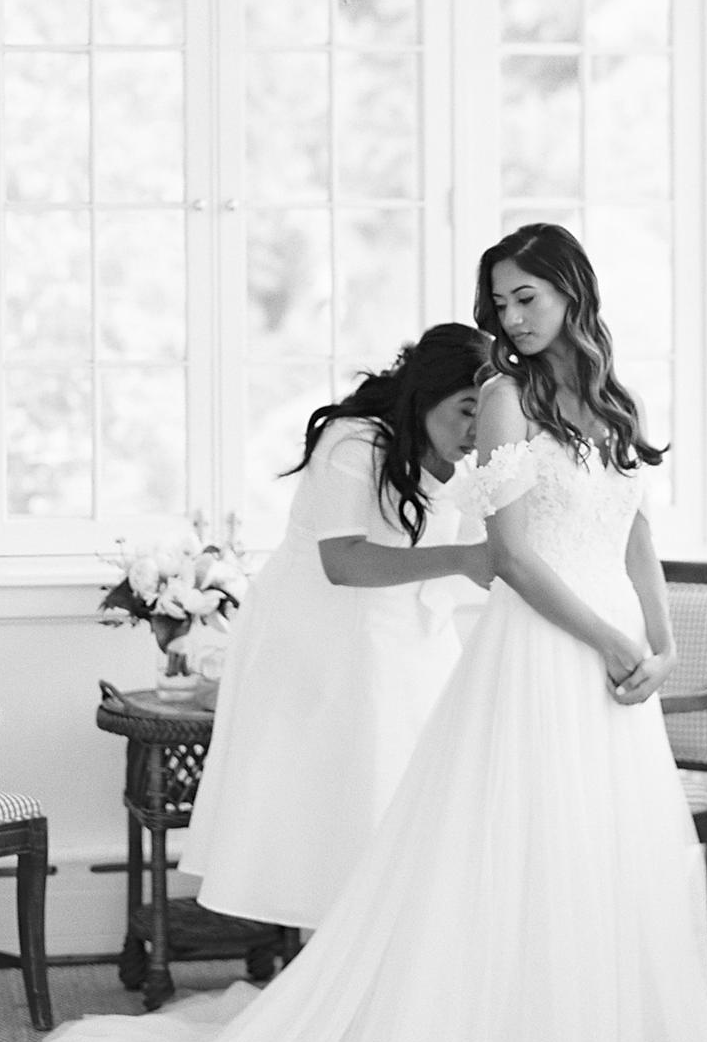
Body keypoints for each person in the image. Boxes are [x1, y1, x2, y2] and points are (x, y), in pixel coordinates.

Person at [0, 225, 707, 1042]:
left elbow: (635, 520)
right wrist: (607, 639)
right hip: (547, 649)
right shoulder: (507, 398)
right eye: (500, 302)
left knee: (601, 854)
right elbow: (512, 555)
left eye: (527, 296)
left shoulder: (611, 401)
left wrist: (661, 640)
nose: (513, 317)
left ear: (570, 287)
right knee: (519, 850)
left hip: (616, 657)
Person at [180, 323, 491, 930]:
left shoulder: (462, 460)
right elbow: (343, 561)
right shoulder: (353, 443)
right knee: (337, 801)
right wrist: (461, 559)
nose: (475, 431)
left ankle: (385, 959)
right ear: (427, 394)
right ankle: (330, 965)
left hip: (411, 632)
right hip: (322, 637)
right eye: (465, 411)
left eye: (486, 415)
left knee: (414, 794)